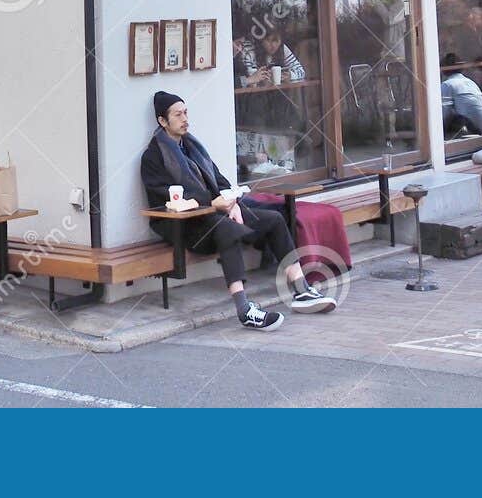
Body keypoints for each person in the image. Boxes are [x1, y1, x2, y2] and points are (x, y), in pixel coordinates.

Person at [140, 91, 338, 331]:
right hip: (186, 227)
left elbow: (220, 182)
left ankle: (301, 289)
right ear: (162, 121)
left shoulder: (192, 147)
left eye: (186, 112)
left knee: (274, 219)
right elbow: (167, 197)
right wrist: (213, 205)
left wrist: (231, 203)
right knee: (227, 230)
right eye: (177, 114)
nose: (184, 119)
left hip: (216, 216)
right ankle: (244, 309)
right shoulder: (153, 156)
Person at [237, 25, 307, 86]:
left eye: (276, 40)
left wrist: (290, 76)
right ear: (261, 40)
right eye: (268, 40)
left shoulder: (282, 48)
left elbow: (301, 72)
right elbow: (248, 80)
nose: (273, 45)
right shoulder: (249, 50)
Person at [441, 59, 482, 137]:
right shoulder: (471, 83)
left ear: (442, 70)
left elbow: (443, 114)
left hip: (467, 134)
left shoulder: (447, 85)